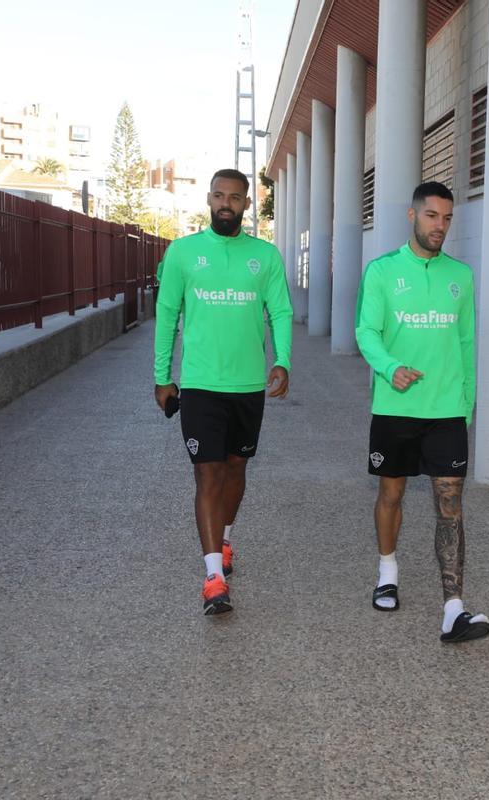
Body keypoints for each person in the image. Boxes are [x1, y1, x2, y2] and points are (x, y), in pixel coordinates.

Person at [355, 181, 489, 643]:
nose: (441, 226)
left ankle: (454, 607)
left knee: (450, 507)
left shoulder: (461, 275)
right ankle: (387, 573)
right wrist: (389, 368)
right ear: (413, 217)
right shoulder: (382, 271)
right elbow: (366, 332)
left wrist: (467, 402)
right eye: (433, 216)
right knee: (391, 494)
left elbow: (466, 341)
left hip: (447, 411)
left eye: (448, 218)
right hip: (395, 409)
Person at [154, 168, 293, 615]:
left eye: (235, 197)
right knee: (207, 474)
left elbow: (282, 311)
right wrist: (163, 376)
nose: (226, 204)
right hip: (199, 385)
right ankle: (213, 577)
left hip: (248, 385)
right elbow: (166, 314)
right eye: (219, 195)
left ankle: (226, 539)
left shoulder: (265, 256)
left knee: (236, 470)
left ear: (247, 205)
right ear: (208, 199)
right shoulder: (183, 253)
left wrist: (282, 359)